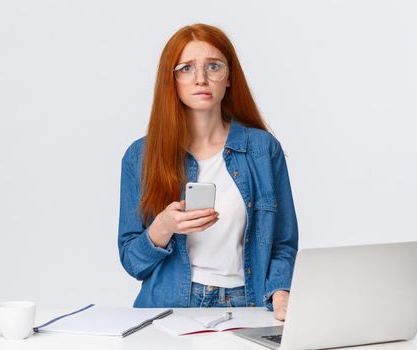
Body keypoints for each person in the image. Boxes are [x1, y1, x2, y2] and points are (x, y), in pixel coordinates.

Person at [118, 23, 298, 321]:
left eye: (213, 66)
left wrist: (281, 294)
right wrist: (163, 226)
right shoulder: (140, 156)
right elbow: (133, 263)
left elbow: (283, 242)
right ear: (171, 80)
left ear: (228, 77)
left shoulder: (263, 149)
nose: (201, 79)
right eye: (186, 68)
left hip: (247, 303)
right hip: (169, 305)